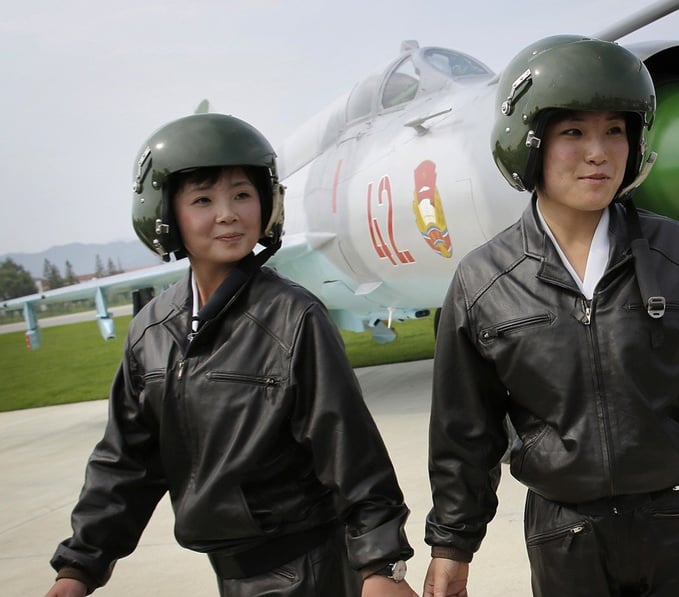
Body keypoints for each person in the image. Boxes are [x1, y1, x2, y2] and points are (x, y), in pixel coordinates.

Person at [423, 36, 679, 596]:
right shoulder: (483, 283)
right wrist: (453, 546)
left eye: (615, 131)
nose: (598, 152)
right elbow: (464, 433)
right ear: (528, 141)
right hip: (566, 536)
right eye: (573, 131)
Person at [45, 113, 417, 597]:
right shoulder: (151, 333)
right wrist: (79, 568)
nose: (228, 213)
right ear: (165, 213)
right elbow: (125, 464)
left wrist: (380, 566)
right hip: (232, 575)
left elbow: (350, 450)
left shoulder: (293, 318)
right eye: (203, 199)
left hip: (310, 570)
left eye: (242, 195)